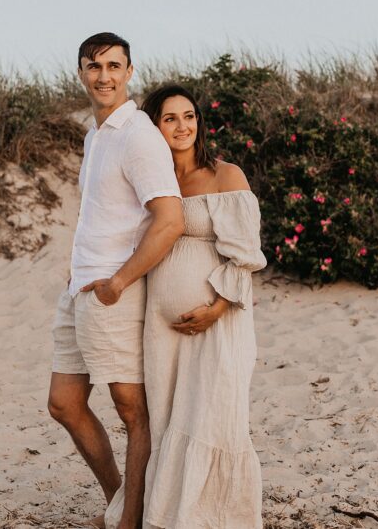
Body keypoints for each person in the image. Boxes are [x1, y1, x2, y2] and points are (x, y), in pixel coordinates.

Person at [106, 84, 267, 527]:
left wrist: (216, 307)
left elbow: (246, 256)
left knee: (215, 415)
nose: (183, 126)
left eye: (189, 115)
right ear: (154, 127)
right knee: (167, 417)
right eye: (170, 118)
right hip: (161, 326)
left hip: (219, 320)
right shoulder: (152, 181)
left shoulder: (224, 175)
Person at [48, 33, 185, 529]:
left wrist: (119, 282)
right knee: (64, 404)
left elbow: (169, 220)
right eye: (93, 66)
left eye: (113, 66)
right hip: (79, 290)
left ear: (129, 71)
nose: (103, 76)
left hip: (113, 294)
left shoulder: (139, 135)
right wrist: (80, 272)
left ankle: (131, 519)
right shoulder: (96, 133)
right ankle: (121, 502)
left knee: (133, 412)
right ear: (80, 72)